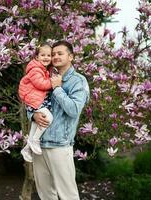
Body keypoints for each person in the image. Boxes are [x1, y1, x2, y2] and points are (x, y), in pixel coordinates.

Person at [28, 41, 90, 200]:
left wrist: (57, 89)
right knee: (46, 195)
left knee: (68, 195)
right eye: (53, 53)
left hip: (59, 145)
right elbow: (32, 99)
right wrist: (33, 115)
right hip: (39, 145)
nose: (55, 56)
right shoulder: (46, 76)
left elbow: (74, 110)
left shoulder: (78, 81)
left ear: (71, 57)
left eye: (60, 53)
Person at [18, 43, 54, 162]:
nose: (46, 57)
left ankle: (27, 148)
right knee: (47, 118)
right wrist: (54, 83)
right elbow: (41, 84)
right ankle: (35, 140)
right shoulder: (35, 69)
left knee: (36, 123)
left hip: (37, 100)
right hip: (34, 101)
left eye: (49, 55)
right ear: (37, 57)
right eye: (42, 55)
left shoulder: (43, 69)